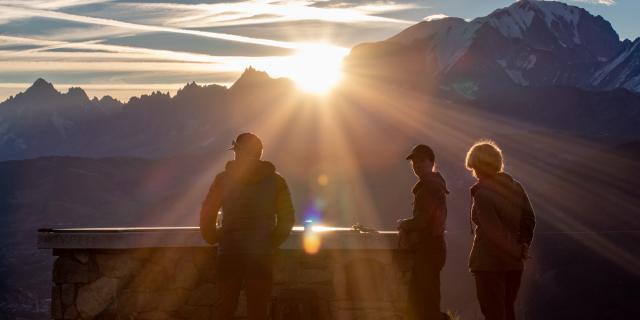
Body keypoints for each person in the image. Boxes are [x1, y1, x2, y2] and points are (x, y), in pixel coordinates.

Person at [199, 132, 295, 320]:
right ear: (259, 153)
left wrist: (214, 236)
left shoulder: (222, 180)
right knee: (258, 310)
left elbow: (207, 213)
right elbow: (287, 219)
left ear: (238, 153)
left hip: (229, 251)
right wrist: (270, 241)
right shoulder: (276, 182)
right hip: (262, 254)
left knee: (225, 308)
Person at [465, 140, 536, 320]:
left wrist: (518, 250)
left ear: (479, 166)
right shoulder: (516, 187)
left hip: (488, 264)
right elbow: (529, 219)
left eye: (473, 167)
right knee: (508, 310)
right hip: (514, 265)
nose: (473, 172)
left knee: (493, 313)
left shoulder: (482, 194)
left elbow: (493, 232)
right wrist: (523, 245)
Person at [398, 144, 449, 320]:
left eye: (421, 161)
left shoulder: (428, 186)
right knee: (428, 297)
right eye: (414, 162)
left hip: (428, 248)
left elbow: (421, 221)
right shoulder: (435, 184)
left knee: (423, 301)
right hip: (435, 247)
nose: (417, 165)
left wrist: (403, 225)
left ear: (432, 162)